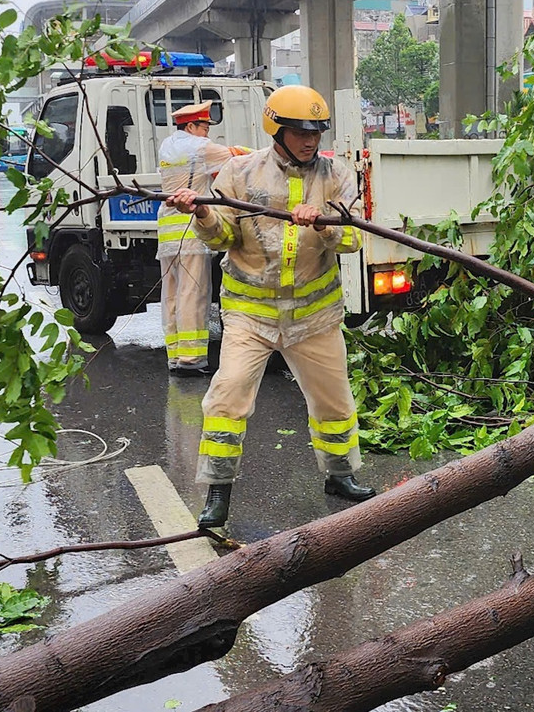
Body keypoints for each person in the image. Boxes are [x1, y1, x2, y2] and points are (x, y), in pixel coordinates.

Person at [165, 84, 378, 529]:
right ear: (276, 129)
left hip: (315, 315)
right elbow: (223, 237)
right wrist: (201, 214)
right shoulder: (241, 173)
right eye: (300, 132)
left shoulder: (336, 175)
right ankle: (218, 493)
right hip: (251, 315)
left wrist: (322, 225)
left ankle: (340, 476)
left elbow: (355, 238)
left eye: (316, 132)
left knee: (334, 402)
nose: (310, 140)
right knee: (226, 400)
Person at [156, 101, 243, 374]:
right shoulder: (199, 147)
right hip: (190, 230)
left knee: (171, 294)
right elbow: (237, 156)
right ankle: (191, 360)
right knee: (193, 294)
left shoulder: (167, 146)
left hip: (167, 230)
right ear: (191, 125)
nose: (207, 133)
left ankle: (174, 355)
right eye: (204, 127)